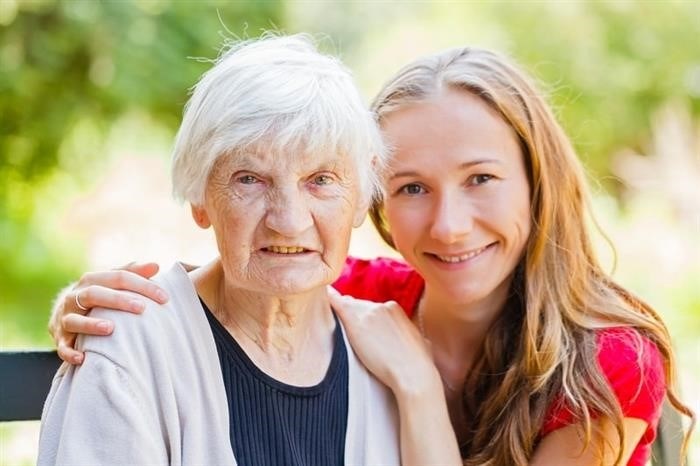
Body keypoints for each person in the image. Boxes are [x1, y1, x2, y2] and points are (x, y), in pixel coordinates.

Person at [48, 45, 694, 465]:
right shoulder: (375, 298)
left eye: (481, 179)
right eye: (413, 188)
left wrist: (416, 387)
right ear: (378, 198)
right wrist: (107, 302)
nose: (450, 226)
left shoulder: (608, 364)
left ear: (538, 181)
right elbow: (260, 275)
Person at [38, 34, 410, 466]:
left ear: (363, 195)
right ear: (200, 197)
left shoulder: (383, 355)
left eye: (321, 179)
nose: (288, 220)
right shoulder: (132, 345)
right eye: (249, 179)